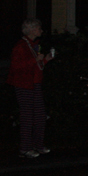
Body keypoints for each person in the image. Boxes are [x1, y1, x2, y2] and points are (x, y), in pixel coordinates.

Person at [8, 18, 55, 158]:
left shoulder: (33, 45)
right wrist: (36, 60)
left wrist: (45, 60)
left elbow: (36, 66)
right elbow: (16, 66)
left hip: (34, 84)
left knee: (40, 115)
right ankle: (25, 148)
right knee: (27, 117)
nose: (41, 30)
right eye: (39, 28)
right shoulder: (21, 46)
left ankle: (38, 145)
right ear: (32, 30)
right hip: (24, 85)